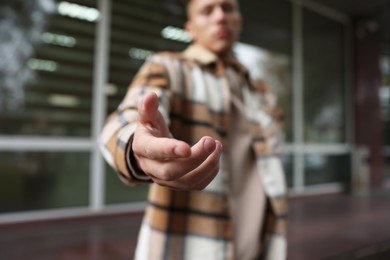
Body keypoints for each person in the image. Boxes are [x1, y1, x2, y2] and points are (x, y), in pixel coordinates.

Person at [99, 0, 288, 259]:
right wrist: (136, 145)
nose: (220, 16)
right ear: (191, 28)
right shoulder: (167, 67)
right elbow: (125, 118)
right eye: (207, 10)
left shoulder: (262, 92)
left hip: (262, 247)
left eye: (228, 8)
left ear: (239, 20)